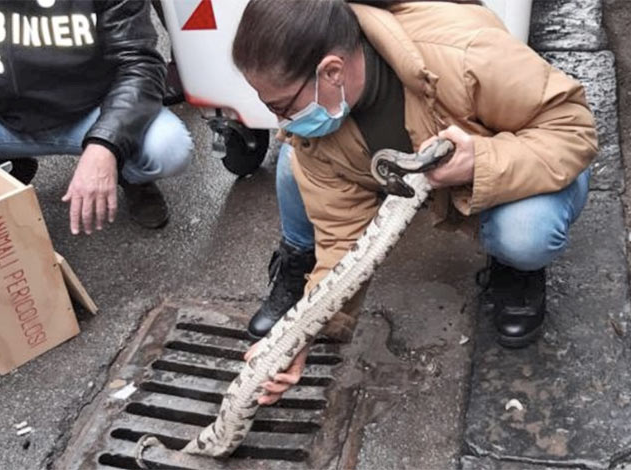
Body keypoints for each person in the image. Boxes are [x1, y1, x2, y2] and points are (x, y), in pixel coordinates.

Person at [235, 0, 598, 405]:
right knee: (292, 158)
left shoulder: (464, 52)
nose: (282, 121)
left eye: (282, 106)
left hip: (536, 151)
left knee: (526, 233)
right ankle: (294, 261)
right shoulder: (321, 127)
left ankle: (515, 268)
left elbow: (573, 129)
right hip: (430, 175)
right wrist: (299, 334)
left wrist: (480, 161)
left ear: (332, 71)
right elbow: (342, 241)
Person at [0, 0, 193, 234]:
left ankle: (125, 171)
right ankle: (0, 166)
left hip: (88, 111)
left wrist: (106, 145)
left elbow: (140, 64)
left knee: (168, 147)